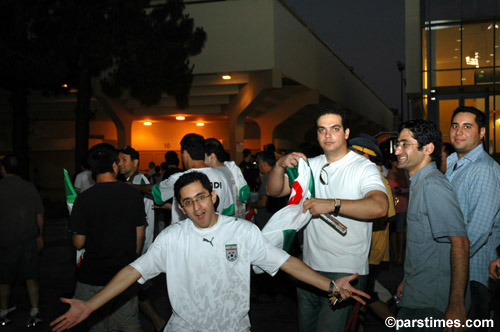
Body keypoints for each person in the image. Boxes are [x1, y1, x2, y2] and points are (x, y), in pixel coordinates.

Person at [50, 171, 370, 332]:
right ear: (180, 207)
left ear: (213, 197)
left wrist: (331, 286)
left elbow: (286, 263)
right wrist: (90, 306)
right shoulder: (172, 238)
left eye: (201, 197)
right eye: (187, 202)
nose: (196, 206)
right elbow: (133, 272)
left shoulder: (242, 232)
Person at [266, 105, 388, 332]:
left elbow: (380, 206)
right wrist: (279, 165)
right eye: (322, 130)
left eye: (334, 129)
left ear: (347, 133)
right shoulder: (310, 166)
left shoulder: (363, 167)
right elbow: (274, 191)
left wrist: (332, 204)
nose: (328, 135)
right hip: (308, 270)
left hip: (345, 271)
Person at [394, 119, 469, 332]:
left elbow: (460, 243)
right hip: (417, 294)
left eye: (405, 144)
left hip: (430, 306)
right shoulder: (420, 183)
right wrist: (407, 281)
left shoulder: (434, 186)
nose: (398, 150)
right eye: (397, 144)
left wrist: (456, 305)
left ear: (427, 148)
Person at [68, 143, 146, 332]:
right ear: (114, 165)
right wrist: (131, 259)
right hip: (123, 274)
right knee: (129, 324)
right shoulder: (133, 194)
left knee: (95, 324)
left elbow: (79, 242)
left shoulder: (83, 199)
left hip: (92, 275)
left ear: (92, 171)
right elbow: (140, 234)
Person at [445, 106, 500, 326]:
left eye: (467, 127)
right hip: (457, 272)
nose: (459, 132)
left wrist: (444, 263)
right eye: (455, 126)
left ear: (482, 132)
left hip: (473, 276)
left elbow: (476, 231)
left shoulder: (484, 169)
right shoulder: (451, 164)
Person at [348, 134, 396, 331]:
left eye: (352, 153)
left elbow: (386, 214)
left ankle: (399, 324)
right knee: (360, 296)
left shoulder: (375, 179)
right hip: (363, 250)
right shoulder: (364, 175)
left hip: (369, 251)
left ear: (365, 156)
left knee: (366, 294)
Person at [117, 146, 167, 331]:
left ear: (135, 162)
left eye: (124, 160)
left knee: (131, 289)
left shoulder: (138, 182)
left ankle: (156, 321)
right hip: (137, 245)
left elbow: (137, 220)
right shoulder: (133, 181)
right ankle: (157, 322)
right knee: (134, 289)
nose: (120, 164)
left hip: (137, 246)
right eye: (119, 160)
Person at [0, 155, 44, 327]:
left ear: (3, 168)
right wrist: (40, 235)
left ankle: (3, 312)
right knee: (31, 277)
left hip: (4, 241)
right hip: (27, 239)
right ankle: (35, 311)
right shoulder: (29, 187)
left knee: (3, 279)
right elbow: (39, 213)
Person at [151, 133, 234, 223]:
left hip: (185, 234)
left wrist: (135, 186)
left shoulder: (179, 179)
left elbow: (157, 195)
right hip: (216, 233)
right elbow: (229, 211)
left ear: (185, 153)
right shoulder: (221, 176)